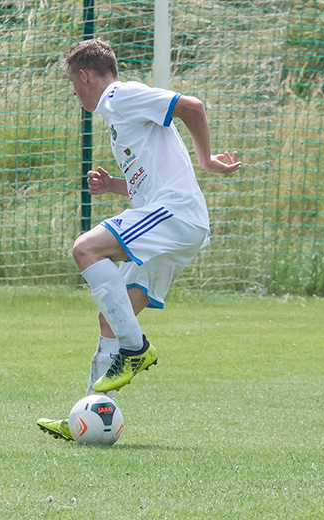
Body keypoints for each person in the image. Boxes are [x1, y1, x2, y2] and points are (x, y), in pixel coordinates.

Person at [38, 39, 241, 440]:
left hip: (176, 214)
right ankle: (85, 417)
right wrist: (115, 185)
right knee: (111, 317)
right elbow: (149, 183)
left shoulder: (118, 96)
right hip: (176, 222)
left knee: (85, 248)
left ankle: (136, 348)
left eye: (73, 84)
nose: (75, 93)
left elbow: (192, 107)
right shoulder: (120, 119)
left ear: (84, 76)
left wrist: (207, 159)